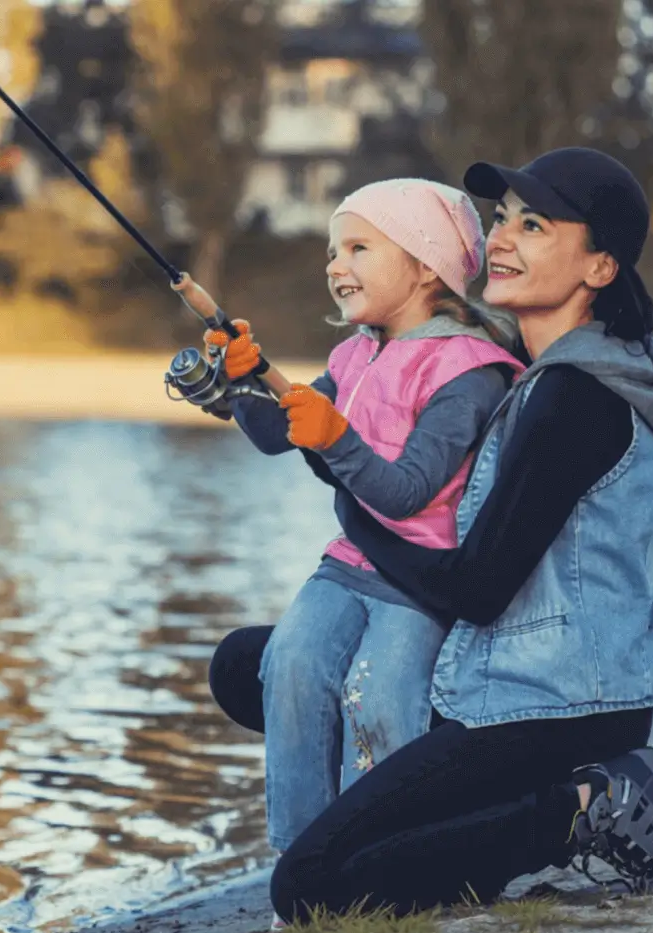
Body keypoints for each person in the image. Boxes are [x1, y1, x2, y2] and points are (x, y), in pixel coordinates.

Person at [208, 148, 653, 920]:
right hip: (504, 673)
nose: (500, 238)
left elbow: (474, 588)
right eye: (502, 218)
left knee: (311, 887)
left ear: (600, 267)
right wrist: (268, 400)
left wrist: (349, 514)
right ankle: (444, 814)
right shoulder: (527, 369)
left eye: (533, 225)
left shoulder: (573, 399)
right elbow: (379, 464)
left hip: (553, 705)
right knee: (256, 665)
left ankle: (582, 807)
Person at [214, 178, 527, 859]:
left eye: (357, 247)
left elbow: (407, 492)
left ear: (424, 265)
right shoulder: (354, 354)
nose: (334, 265)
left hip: (421, 583)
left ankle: (383, 858)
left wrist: (336, 439)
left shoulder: (468, 370)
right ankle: (301, 865)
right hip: (347, 567)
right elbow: (276, 434)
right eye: (332, 250)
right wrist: (244, 380)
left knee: (380, 699)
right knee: (291, 665)